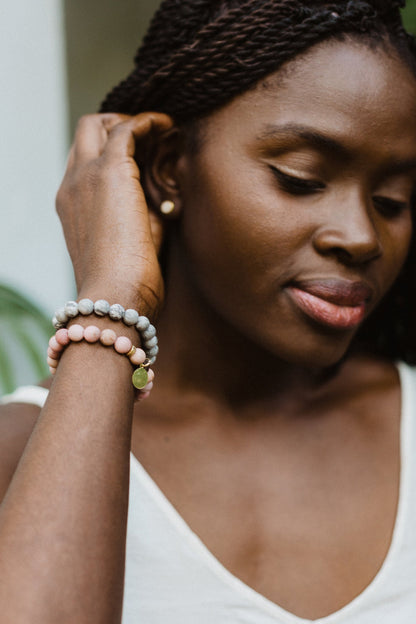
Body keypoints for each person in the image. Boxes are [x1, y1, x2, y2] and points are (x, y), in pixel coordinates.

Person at [1, 0, 416, 622]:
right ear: (169, 170)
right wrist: (113, 299)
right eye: (300, 178)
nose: (361, 237)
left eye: (392, 200)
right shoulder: (19, 453)